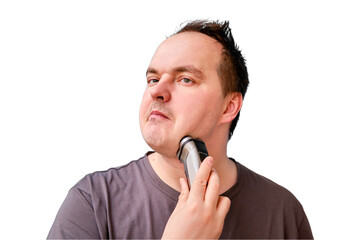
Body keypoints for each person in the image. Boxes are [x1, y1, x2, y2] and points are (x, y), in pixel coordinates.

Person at [48, 20, 313, 239]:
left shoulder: (283, 213)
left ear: (229, 106)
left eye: (185, 79)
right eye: (153, 78)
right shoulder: (93, 202)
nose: (157, 91)